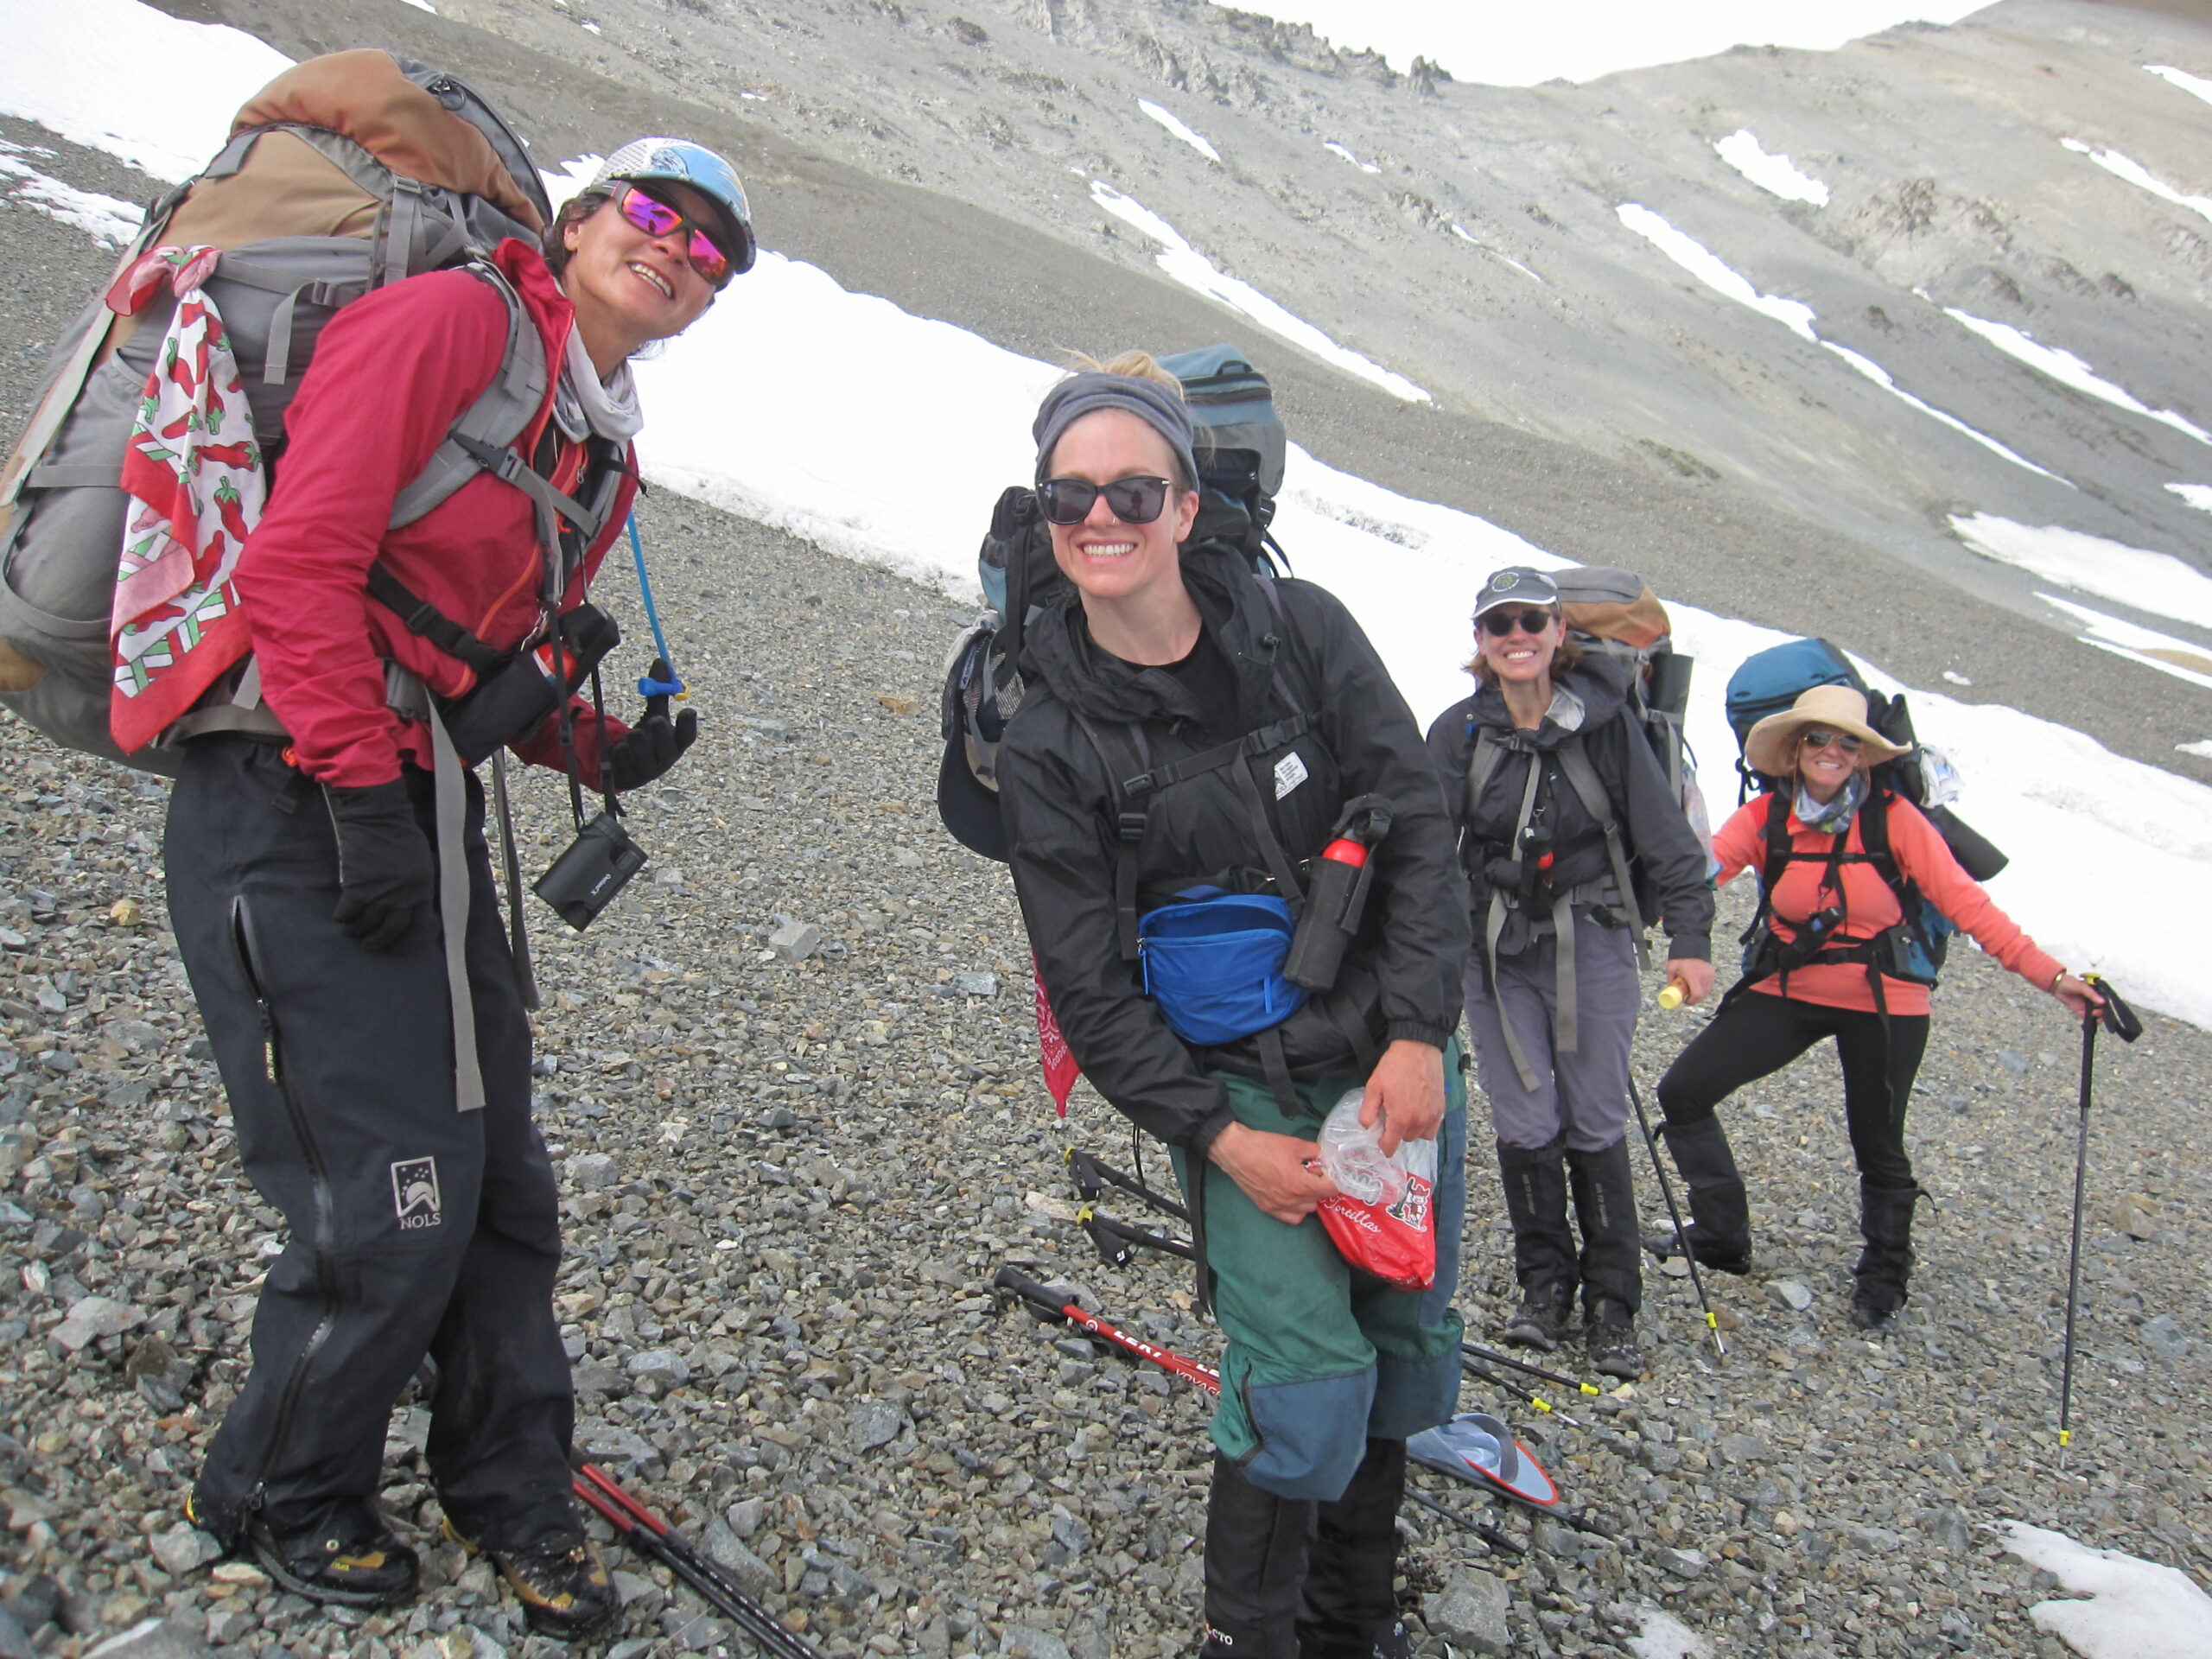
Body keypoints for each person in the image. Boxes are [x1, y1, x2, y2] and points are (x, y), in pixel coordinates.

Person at [162, 139, 752, 1633]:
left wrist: (597, 751)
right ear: (579, 218)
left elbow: (468, 651)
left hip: (407, 802)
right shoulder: (452, 327)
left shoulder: (596, 438)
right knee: (394, 1189)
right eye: (653, 213)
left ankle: (508, 1484)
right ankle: (279, 1485)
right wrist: (358, 785)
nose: (677, 248)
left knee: (500, 1179)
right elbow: (297, 566)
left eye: (712, 249)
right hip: (292, 791)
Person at [995, 356, 1470, 1659]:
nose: (1102, 517)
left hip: (1393, 1069)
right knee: (1308, 1381)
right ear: (1045, 517)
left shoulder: (1302, 632)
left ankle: (1349, 1623)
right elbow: (1089, 991)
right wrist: (1220, 1140)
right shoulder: (1050, 744)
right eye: (1071, 495)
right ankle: (1244, 1637)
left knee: (1403, 1338)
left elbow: (1419, 825)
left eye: (1133, 489)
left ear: (1189, 505)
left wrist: (1424, 1034)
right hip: (1243, 1096)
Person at [1647, 683, 2104, 1329]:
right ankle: (1721, 1236)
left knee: (1878, 1141)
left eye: (1847, 742)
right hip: (1788, 990)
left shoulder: (1896, 821)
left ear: (1863, 756)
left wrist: (2053, 979)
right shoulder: (1765, 820)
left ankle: (1885, 1273)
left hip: (1887, 1001)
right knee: (1685, 1091)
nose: (1832, 751)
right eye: (1819, 738)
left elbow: (1968, 908)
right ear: (1796, 748)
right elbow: (1695, 879)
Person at [1425, 568, 1714, 1379]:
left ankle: (1612, 1304)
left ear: (1559, 635)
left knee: (1593, 1117)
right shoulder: (1457, 733)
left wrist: (1691, 938)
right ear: (1479, 642)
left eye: (1532, 622)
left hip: (1590, 940)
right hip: (1494, 951)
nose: (1516, 637)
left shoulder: (1609, 728)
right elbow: (1424, 848)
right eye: (1499, 624)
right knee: (1523, 1118)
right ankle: (1544, 1291)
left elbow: (1667, 841)